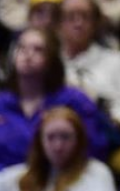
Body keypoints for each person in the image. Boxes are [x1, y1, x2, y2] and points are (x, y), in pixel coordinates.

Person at [0, 29, 108, 168]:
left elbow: (94, 150)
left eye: (38, 49)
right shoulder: (2, 102)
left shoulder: (74, 100)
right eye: (22, 47)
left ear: (52, 59)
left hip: (60, 180)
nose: (28, 54)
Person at [59, 0, 120, 132]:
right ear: (59, 23)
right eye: (71, 17)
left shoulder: (116, 61)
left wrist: (112, 122)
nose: (78, 23)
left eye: (85, 17)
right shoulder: (49, 63)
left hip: (106, 139)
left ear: (95, 23)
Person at [0, 106, 116, 191]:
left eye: (65, 137)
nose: (58, 146)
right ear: (39, 142)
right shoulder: (13, 178)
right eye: (50, 138)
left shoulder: (97, 173)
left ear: (79, 141)